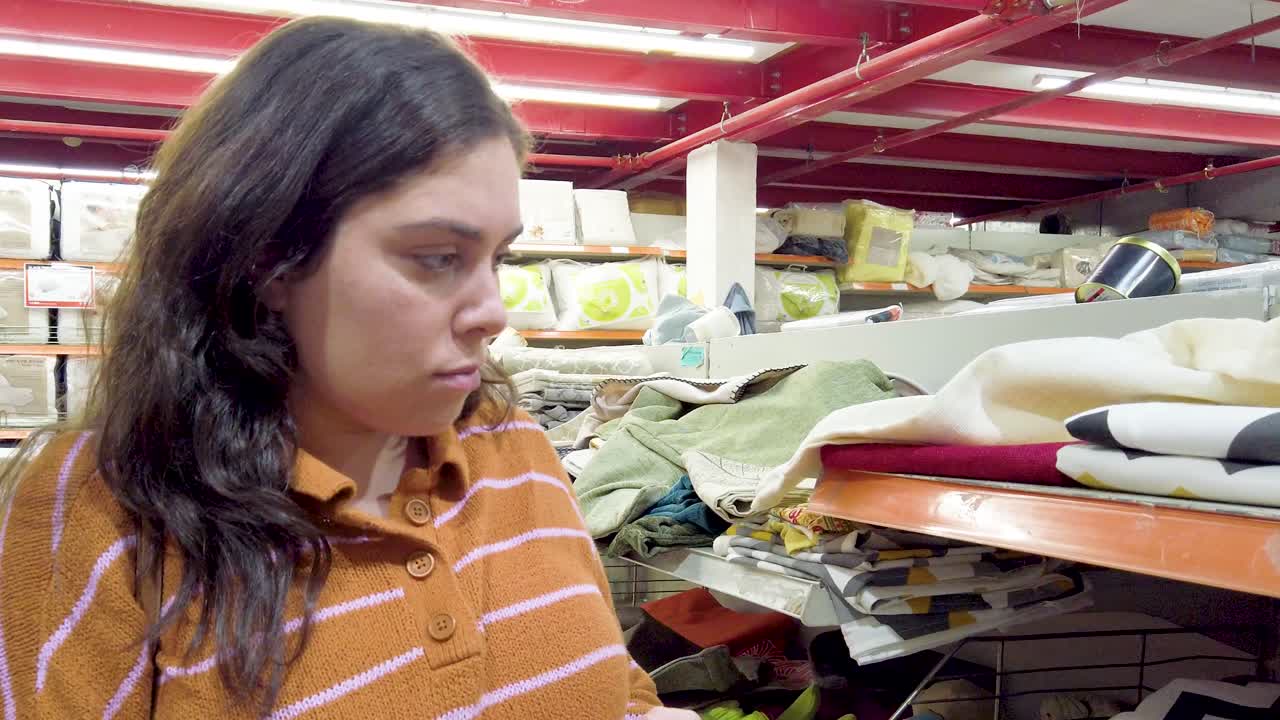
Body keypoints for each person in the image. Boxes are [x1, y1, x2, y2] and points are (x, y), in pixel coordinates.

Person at [0, 17, 693, 719]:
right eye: (436, 257)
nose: (493, 311)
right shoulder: (104, 511)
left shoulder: (515, 448)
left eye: (499, 258)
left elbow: (616, 690)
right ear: (269, 256)